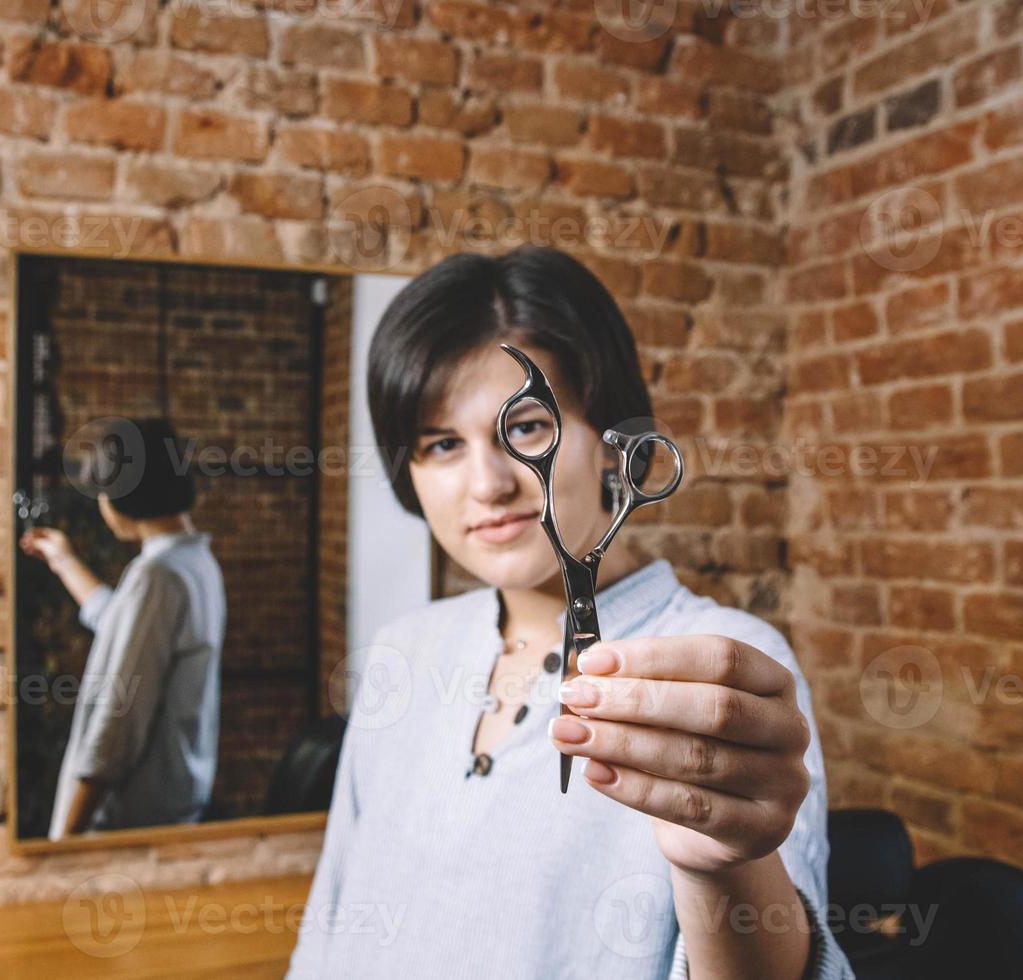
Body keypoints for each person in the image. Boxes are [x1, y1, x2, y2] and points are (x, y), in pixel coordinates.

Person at [285, 247, 853, 978]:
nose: (487, 484)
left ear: (614, 441)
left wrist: (723, 870)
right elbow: (331, 925)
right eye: (441, 444)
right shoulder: (405, 650)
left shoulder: (721, 668)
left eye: (525, 430)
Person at [20, 417, 226, 841]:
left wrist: (66, 840)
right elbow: (118, 622)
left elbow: (116, 726)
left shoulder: (157, 577)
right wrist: (63, 559)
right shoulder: (196, 564)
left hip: (126, 829)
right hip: (173, 814)